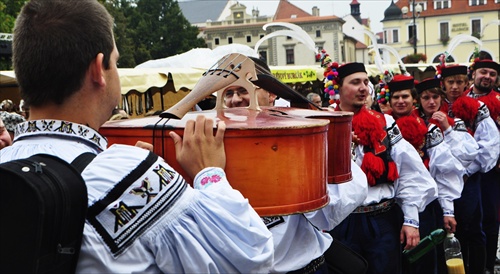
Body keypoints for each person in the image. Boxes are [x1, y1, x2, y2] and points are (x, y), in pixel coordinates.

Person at [0, 1, 274, 273]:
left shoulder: (5, 160)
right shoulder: (130, 173)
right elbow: (252, 254)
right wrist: (209, 174)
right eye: (115, 62)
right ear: (99, 70)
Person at [222, 56, 369, 273]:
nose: (235, 100)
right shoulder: (213, 142)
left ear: (271, 93)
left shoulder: (299, 134)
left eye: (243, 90)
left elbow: (330, 212)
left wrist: (328, 147)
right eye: (228, 93)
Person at [327, 62, 437, 274]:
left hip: (382, 220)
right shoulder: (324, 123)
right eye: (355, 82)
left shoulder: (384, 123)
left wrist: (411, 219)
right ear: (338, 87)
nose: (363, 88)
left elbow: (410, 172)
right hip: (341, 221)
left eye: (366, 82)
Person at [385, 76, 467, 273]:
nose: (400, 101)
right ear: (389, 102)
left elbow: (444, 171)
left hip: (424, 206)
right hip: (390, 208)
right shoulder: (382, 127)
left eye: (405, 96)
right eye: (395, 97)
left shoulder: (429, 129)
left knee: (424, 259)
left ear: (414, 100)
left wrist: (448, 211)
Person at [439, 64, 500, 274]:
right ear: (443, 85)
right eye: (450, 83)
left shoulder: (478, 107)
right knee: (447, 230)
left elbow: (490, 146)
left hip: (470, 179)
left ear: (467, 83)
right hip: (442, 181)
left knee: (474, 229)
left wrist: (465, 171)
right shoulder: (432, 105)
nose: (455, 87)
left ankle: (481, 269)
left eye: (459, 82)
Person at [464, 59, 500, 274]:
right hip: (466, 168)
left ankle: (486, 264)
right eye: (483, 72)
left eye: (492, 74)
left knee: (490, 215)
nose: (487, 77)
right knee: (468, 216)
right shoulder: (461, 97)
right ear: (474, 74)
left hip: (492, 170)